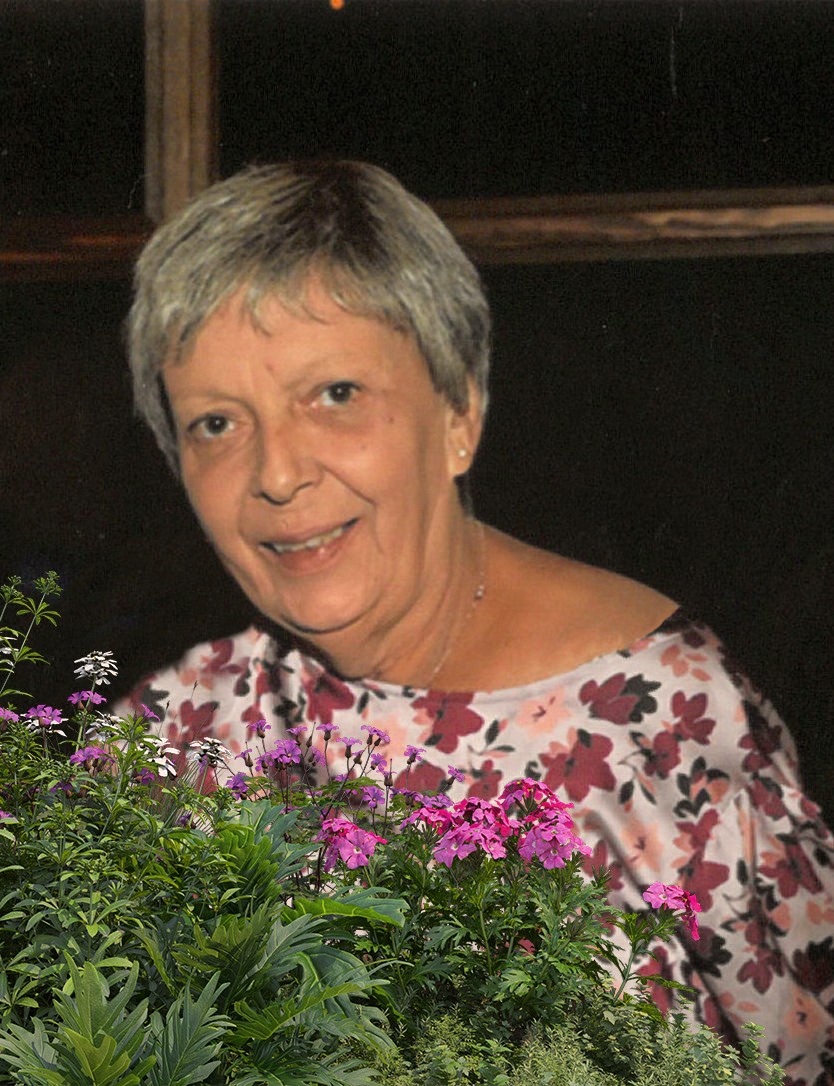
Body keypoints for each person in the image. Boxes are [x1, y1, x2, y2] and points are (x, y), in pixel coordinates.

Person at [123, 160, 834, 1085]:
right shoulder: (180, 724)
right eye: (216, 423)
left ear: (459, 410)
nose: (279, 473)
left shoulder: (664, 722)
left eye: (335, 395)